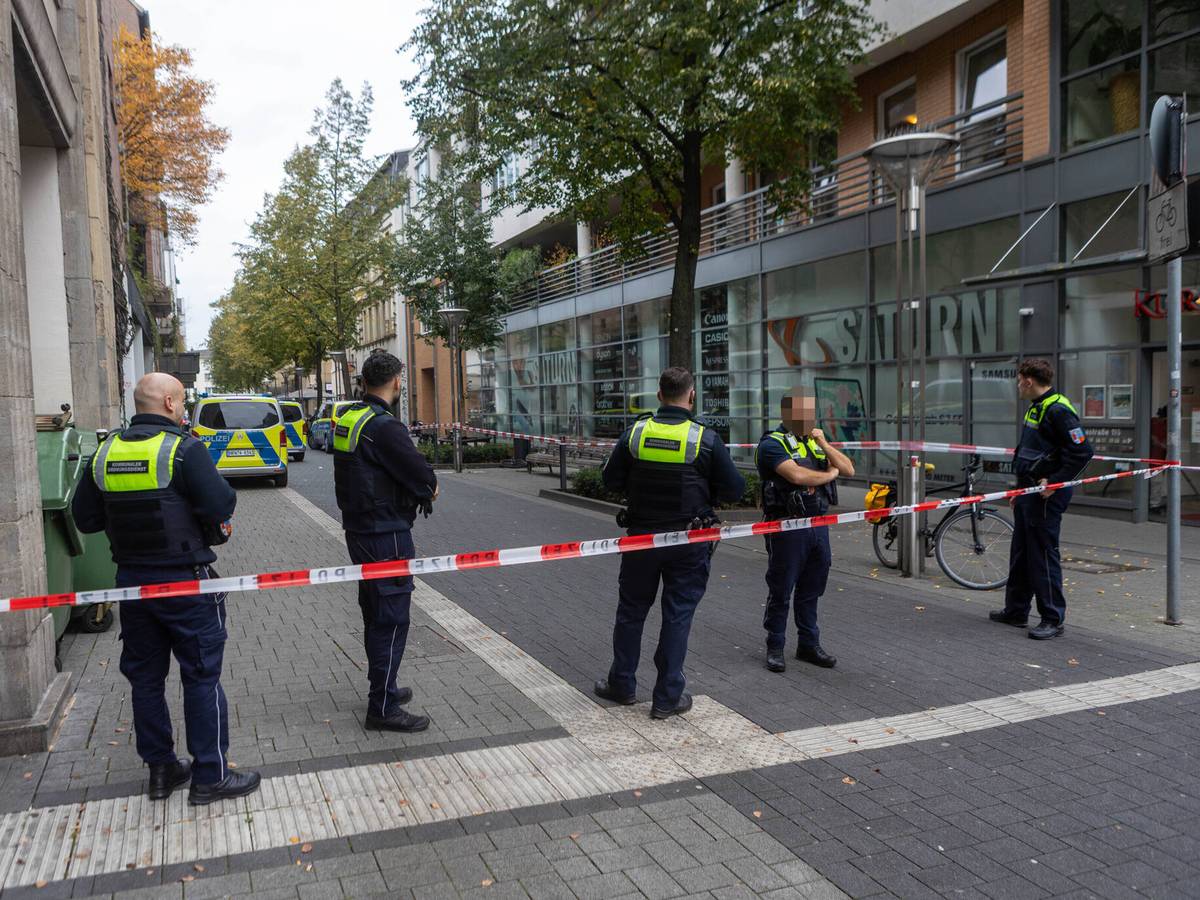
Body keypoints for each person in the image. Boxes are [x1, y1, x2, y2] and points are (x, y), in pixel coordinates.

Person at [73, 373, 260, 805]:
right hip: (184, 582)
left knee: (145, 679)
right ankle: (210, 776)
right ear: (172, 402)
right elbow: (220, 505)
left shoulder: (104, 452)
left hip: (131, 586)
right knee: (201, 675)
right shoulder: (183, 449)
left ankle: (162, 771)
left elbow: (86, 519)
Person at [593, 367, 745, 718]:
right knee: (677, 616)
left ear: (659, 395)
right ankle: (666, 699)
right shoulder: (704, 439)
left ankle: (622, 685)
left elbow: (611, 480)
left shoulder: (635, 434)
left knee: (631, 613)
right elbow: (736, 489)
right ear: (691, 396)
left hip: (641, 540)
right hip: (688, 541)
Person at [333, 351, 438, 731]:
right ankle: (382, 706)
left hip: (360, 530)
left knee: (375, 614)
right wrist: (428, 487)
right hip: (386, 534)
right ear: (396, 381)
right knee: (391, 619)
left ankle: (385, 686)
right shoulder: (385, 426)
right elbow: (423, 477)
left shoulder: (350, 419)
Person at [991, 358, 1093, 639]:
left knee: (1043, 556)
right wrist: (1018, 490)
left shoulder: (1058, 410)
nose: (1017, 385)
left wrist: (1057, 482)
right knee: (1022, 553)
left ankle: (1052, 618)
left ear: (1028, 380)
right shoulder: (1037, 407)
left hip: (1046, 495)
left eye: (1018, 379)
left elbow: (1083, 452)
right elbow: (1030, 452)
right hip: (1029, 493)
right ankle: (1016, 611)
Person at [755, 387, 854, 673]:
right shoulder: (772, 444)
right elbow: (796, 475)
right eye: (800, 412)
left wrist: (823, 442)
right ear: (786, 413)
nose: (806, 417)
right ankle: (775, 646)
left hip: (818, 526)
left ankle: (808, 644)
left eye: (809, 412)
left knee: (812, 588)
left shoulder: (814, 441)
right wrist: (828, 474)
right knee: (782, 588)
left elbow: (848, 468)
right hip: (787, 526)